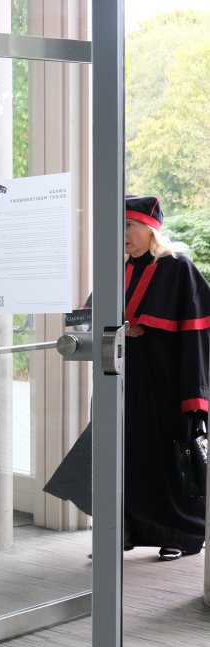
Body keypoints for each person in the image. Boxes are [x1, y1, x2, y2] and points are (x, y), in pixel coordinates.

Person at [121, 195, 210, 561]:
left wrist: (195, 393)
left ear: (150, 229)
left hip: (166, 384)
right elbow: (90, 317)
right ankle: (128, 529)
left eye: (129, 225)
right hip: (124, 382)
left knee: (169, 460)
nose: (123, 234)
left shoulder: (178, 268)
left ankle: (180, 535)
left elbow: (197, 333)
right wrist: (121, 330)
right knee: (128, 457)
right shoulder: (116, 268)